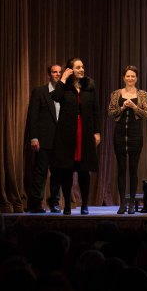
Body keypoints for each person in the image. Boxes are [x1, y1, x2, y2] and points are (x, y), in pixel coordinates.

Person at [51, 58, 101, 215]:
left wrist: (97, 132)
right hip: (67, 134)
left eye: (82, 67)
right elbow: (56, 97)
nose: (82, 69)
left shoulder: (89, 86)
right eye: (78, 67)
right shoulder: (64, 87)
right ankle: (67, 205)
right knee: (66, 170)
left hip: (85, 132)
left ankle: (84, 204)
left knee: (84, 171)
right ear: (70, 69)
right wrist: (63, 79)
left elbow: (95, 110)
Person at [108, 66, 147, 214]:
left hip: (135, 135)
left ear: (136, 78)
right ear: (124, 78)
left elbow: (146, 114)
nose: (130, 78)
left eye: (133, 76)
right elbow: (111, 112)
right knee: (121, 169)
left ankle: (132, 202)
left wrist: (133, 106)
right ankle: (122, 203)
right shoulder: (116, 93)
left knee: (133, 169)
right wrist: (121, 107)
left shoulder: (142, 94)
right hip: (119, 134)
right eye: (128, 76)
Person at [27, 64, 63, 213]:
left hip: (60, 141)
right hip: (44, 140)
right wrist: (34, 137)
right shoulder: (39, 92)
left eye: (59, 72)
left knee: (57, 173)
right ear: (49, 75)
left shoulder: (65, 93)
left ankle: (54, 202)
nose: (57, 74)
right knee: (40, 172)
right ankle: (35, 203)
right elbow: (33, 116)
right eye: (54, 72)